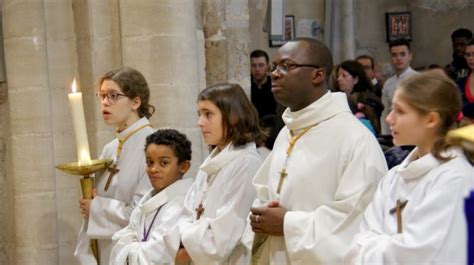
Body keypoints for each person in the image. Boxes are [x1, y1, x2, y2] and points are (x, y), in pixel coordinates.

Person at [245, 38, 387, 264]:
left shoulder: (355, 139)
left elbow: (357, 221)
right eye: (274, 67)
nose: (275, 74)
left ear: (318, 75)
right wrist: (262, 215)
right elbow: (266, 190)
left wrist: (288, 224)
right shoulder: (288, 132)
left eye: (287, 66)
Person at [345, 72, 474, 264]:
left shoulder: (456, 178)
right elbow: (358, 240)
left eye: (400, 111)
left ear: (431, 119)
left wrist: (373, 248)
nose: (389, 119)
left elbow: (422, 256)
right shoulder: (395, 176)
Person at [164, 83, 265, 264]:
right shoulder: (211, 163)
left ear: (233, 116)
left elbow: (223, 235)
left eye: (208, 114)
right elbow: (187, 213)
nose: (200, 122)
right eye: (199, 114)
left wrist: (186, 240)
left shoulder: (247, 163)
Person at [75, 67, 155, 265]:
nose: (105, 102)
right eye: (101, 96)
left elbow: (145, 213)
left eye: (113, 95)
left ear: (136, 102)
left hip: (135, 253)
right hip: (106, 250)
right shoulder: (110, 149)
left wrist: (96, 208)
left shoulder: (153, 145)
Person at [110, 129, 193, 265]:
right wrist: (137, 250)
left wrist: (130, 248)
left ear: (184, 166)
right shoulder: (147, 201)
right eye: (149, 162)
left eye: (164, 163)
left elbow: (160, 255)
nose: (153, 169)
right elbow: (119, 240)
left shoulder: (184, 204)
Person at [380, 38, 418, 135]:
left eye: (402, 54)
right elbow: (385, 112)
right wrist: (385, 134)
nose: (398, 58)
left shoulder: (419, 80)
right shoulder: (388, 83)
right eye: (394, 55)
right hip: (393, 133)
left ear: (410, 56)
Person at [336, 60, 384, 134]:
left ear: (355, 79)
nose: (339, 79)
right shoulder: (338, 99)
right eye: (338, 75)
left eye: (344, 75)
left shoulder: (369, 100)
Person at [251, 49, 278, 118]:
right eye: (253, 65)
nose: (257, 69)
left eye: (261, 65)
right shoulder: (246, 86)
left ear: (267, 67)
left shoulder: (275, 84)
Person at [456, 39, 474, 122]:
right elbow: (457, 107)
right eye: (468, 55)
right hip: (466, 131)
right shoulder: (461, 82)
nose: (470, 58)